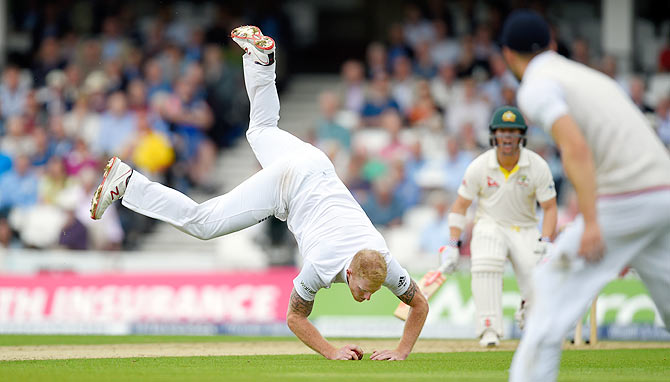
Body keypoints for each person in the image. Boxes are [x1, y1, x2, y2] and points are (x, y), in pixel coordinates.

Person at [89, 25, 428, 361]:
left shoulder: (383, 262)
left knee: (261, 129)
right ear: (350, 273)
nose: (367, 298)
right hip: (291, 183)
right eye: (364, 291)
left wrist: (401, 351)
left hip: (315, 163)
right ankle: (128, 183)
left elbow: (418, 303)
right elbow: (294, 317)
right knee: (204, 224)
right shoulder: (322, 266)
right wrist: (331, 352)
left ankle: (261, 59)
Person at [498, 10, 670, 382]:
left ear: (508, 56)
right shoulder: (588, 76)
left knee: (546, 296)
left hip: (628, 197)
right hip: (663, 194)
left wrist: (592, 222)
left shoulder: (536, 85)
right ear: (553, 45)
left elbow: (575, 148)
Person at [441, 106, 557, 347]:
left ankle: (528, 310)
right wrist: (452, 244)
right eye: (503, 131)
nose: (507, 137)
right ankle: (489, 328)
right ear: (494, 134)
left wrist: (546, 240)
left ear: (522, 136)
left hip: (525, 228)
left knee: (538, 277)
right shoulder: (479, 166)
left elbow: (550, 207)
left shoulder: (537, 166)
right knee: (486, 264)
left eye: (513, 132)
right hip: (489, 225)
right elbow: (460, 206)